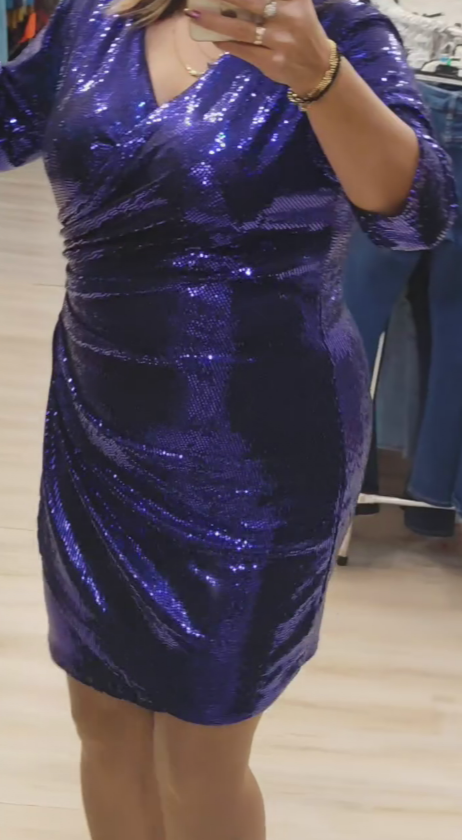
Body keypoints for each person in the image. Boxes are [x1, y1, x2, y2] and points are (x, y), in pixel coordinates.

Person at [0, 0, 456, 837]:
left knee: (200, 753)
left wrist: (320, 76)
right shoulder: (95, 19)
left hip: (259, 453)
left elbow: (416, 213)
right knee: (103, 722)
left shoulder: (342, 30)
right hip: (100, 432)